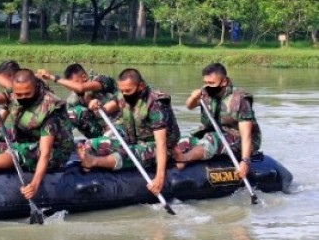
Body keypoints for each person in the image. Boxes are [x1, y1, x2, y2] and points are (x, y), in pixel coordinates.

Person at [0, 69, 75, 200]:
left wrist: (34, 185)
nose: (23, 97)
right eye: (19, 94)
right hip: (27, 135)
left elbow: (45, 152)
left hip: (56, 149)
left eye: (27, 94)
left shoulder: (50, 108)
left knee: (15, 152)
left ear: (35, 87)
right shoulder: (13, 93)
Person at [77, 68, 180, 196]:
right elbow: (104, 110)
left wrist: (159, 178)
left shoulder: (155, 102)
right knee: (91, 145)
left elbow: (161, 143)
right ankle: (89, 159)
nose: (124, 94)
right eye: (122, 91)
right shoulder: (123, 95)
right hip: (134, 139)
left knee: (128, 153)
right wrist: (96, 105)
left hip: (158, 145)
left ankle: (93, 161)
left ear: (140, 86)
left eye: (128, 91)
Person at [172, 63, 261, 178]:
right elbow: (189, 106)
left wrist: (245, 161)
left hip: (239, 138)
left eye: (211, 83)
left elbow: (246, 135)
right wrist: (193, 97)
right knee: (184, 141)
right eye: (205, 83)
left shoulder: (240, 99)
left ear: (223, 82)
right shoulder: (206, 92)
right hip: (215, 133)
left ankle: (184, 159)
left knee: (211, 139)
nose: (207, 86)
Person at [37, 63, 118, 138]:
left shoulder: (102, 79)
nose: (72, 87)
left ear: (84, 77)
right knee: (71, 113)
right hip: (102, 131)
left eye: (74, 84)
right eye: (70, 85)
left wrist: (51, 77)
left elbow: (80, 87)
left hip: (120, 124)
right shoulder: (73, 100)